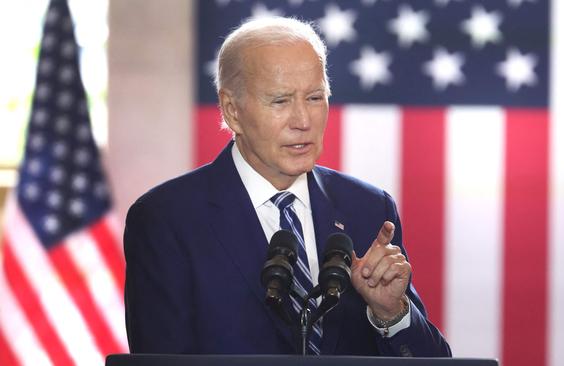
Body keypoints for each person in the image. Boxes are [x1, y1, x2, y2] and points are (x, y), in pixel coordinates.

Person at [124, 16, 451, 357]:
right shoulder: (166, 219)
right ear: (232, 110)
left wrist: (391, 314)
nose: (303, 121)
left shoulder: (368, 209)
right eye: (280, 101)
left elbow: (433, 362)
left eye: (314, 98)